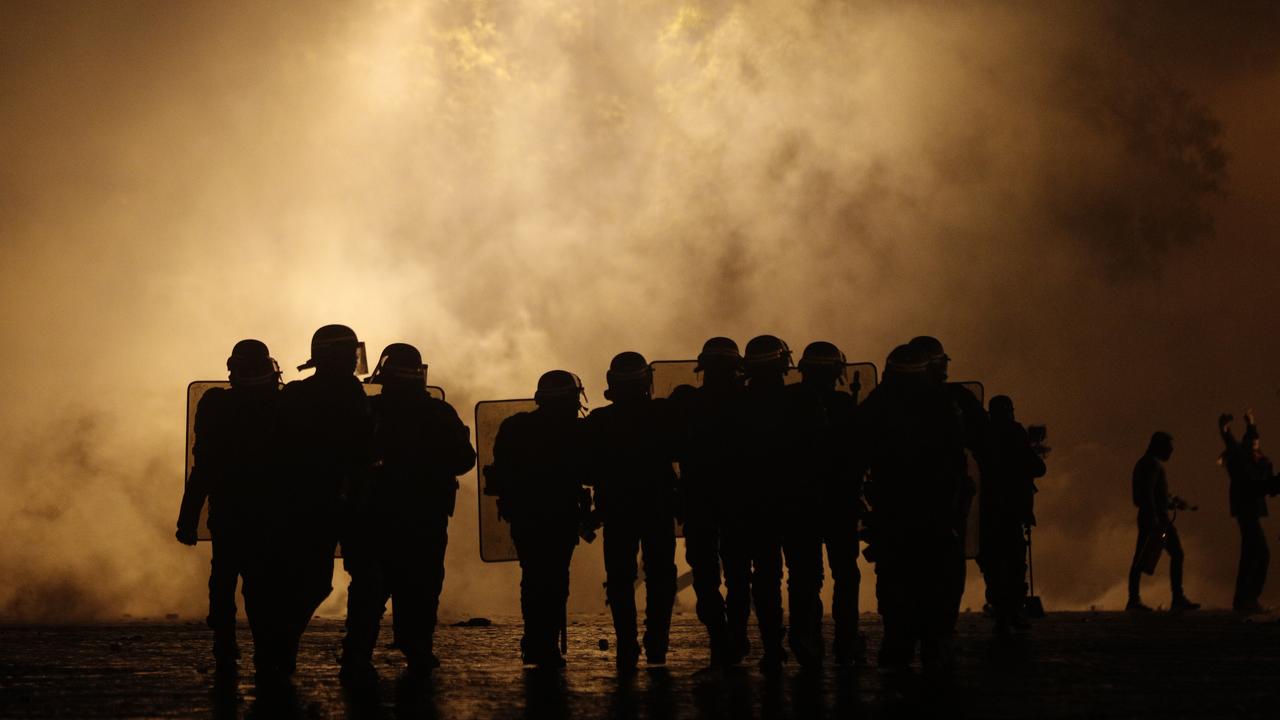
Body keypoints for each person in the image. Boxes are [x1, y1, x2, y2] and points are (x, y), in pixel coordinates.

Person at [340, 344, 476, 686]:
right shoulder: (439, 414)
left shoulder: (368, 412)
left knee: (369, 590)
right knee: (421, 586)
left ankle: (358, 655)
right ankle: (417, 651)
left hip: (374, 517)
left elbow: (346, 460)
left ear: (383, 376)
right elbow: (464, 460)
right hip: (423, 518)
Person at [269, 324, 375, 684]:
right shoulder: (349, 396)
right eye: (348, 354)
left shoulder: (298, 394)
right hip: (329, 502)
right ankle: (347, 655)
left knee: (318, 581)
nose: (353, 361)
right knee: (343, 580)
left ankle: (282, 652)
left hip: (315, 502)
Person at [856, 344, 967, 671]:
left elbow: (856, 456)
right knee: (941, 579)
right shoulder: (946, 404)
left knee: (894, 579)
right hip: (936, 511)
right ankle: (937, 643)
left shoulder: (876, 406)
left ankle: (898, 643)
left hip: (892, 513)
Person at [176, 339, 282, 677]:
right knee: (260, 586)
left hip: (229, 512)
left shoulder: (215, 405)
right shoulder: (284, 405)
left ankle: (225, 642)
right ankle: (265, 651)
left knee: (223, 579)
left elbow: (203, 469)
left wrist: (187, 520)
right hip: (270, 515)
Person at [486, 370, 592, 668]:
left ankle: (536, 641)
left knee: (533, 576)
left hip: (526, 516)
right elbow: (591, 470)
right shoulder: (576, 431)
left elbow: (501, 471)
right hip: (560, 516)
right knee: (555, 578)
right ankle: (543, 643)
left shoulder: (515, 427)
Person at [585, 352, 680, 671]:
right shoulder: (664, 413)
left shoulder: (599, 421)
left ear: (612, 383)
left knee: (620, 579)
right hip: (658, 507)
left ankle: (627, 644)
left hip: (617, 509)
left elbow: (585, 469)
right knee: (661, 575)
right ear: (645, 383)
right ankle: (657, 644)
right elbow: (681, 448)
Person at [736, 334, 823, 671]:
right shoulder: (804, 399)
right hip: (799, 503)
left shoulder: (739, 403)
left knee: (766, 576)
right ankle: (805, 640)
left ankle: (772, 645)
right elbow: (821, 450)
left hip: (757, 505)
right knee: (804, 576)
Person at [671, 337, 751, 667]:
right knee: (737, 573)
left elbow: (669, 446)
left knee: (706, 574)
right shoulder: (750, 402)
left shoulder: (686, 402)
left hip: (700, 499)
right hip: (739, 499)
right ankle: (733, 634)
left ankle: (720, 635)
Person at [790, 340, 865, 665]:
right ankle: (846, 639)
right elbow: (860, 454)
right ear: (836, 372)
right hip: (840, 503)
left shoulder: (786, 403)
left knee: (804, 575)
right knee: (845, 573)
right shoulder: (845, 406)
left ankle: (806, 637)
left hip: (798, 504)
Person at [909, 335, 984, 633]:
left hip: (905, 499)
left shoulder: (889, 399)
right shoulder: (957, 399)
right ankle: (939, 633)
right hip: (946, 498)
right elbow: (983, 439)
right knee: (948, 567)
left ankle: (904, 635)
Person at [978, 395, 1046, 635]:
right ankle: (1015, 610)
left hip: (988, 510)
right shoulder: (1015, 433)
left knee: (993, 563)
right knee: (1015, 562)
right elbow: (1036, 468)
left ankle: (1001, 611)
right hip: (1012, 508)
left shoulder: (982, 434)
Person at [1126, 431, 1200, 612]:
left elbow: (1151, 494)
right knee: (1175, 554)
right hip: (1156, 519)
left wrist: (1172, 502)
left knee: (1141, 557)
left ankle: (1134, 599)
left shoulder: (1145, 464)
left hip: (1151, 517)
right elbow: (1149, 493)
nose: (1170, 452)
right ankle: (1176, 598)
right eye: (1168, 448)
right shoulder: (1152, 465)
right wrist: (1156, 518)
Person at [1219, 411, 1277, 614]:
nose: (1255, 444)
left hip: (1249, 510)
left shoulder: (1260, 463)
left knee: (1250, 555)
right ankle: (1249, 598)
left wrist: (1250, 424)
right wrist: (1226, 429)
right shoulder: (1242, 460)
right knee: (1261, 554)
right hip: (1247, 511)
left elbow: (1268, 487)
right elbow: (1232, 444)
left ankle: (1242, 599)